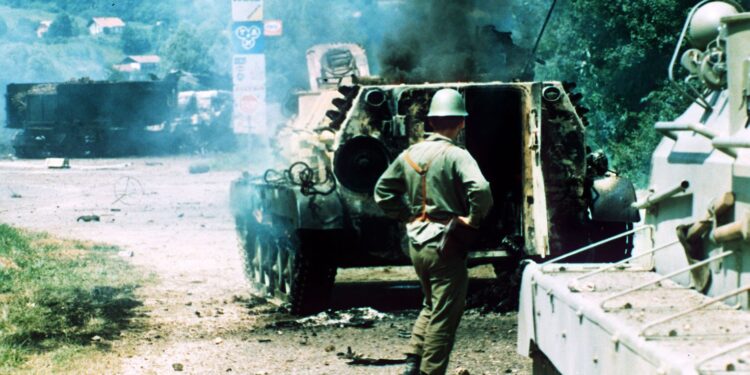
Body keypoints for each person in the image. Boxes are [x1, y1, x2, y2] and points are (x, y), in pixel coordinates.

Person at [374, 88, 493, 375]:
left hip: (417, 243)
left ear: (430, 122)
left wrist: (408, 216)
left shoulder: (409, 155)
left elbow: (382, 191)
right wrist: (473, 220)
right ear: (461, 123)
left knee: (431, 303)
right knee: (446, 314)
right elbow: (481, 188)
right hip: (445, 244)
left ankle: (413, 361)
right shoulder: (457, 155)